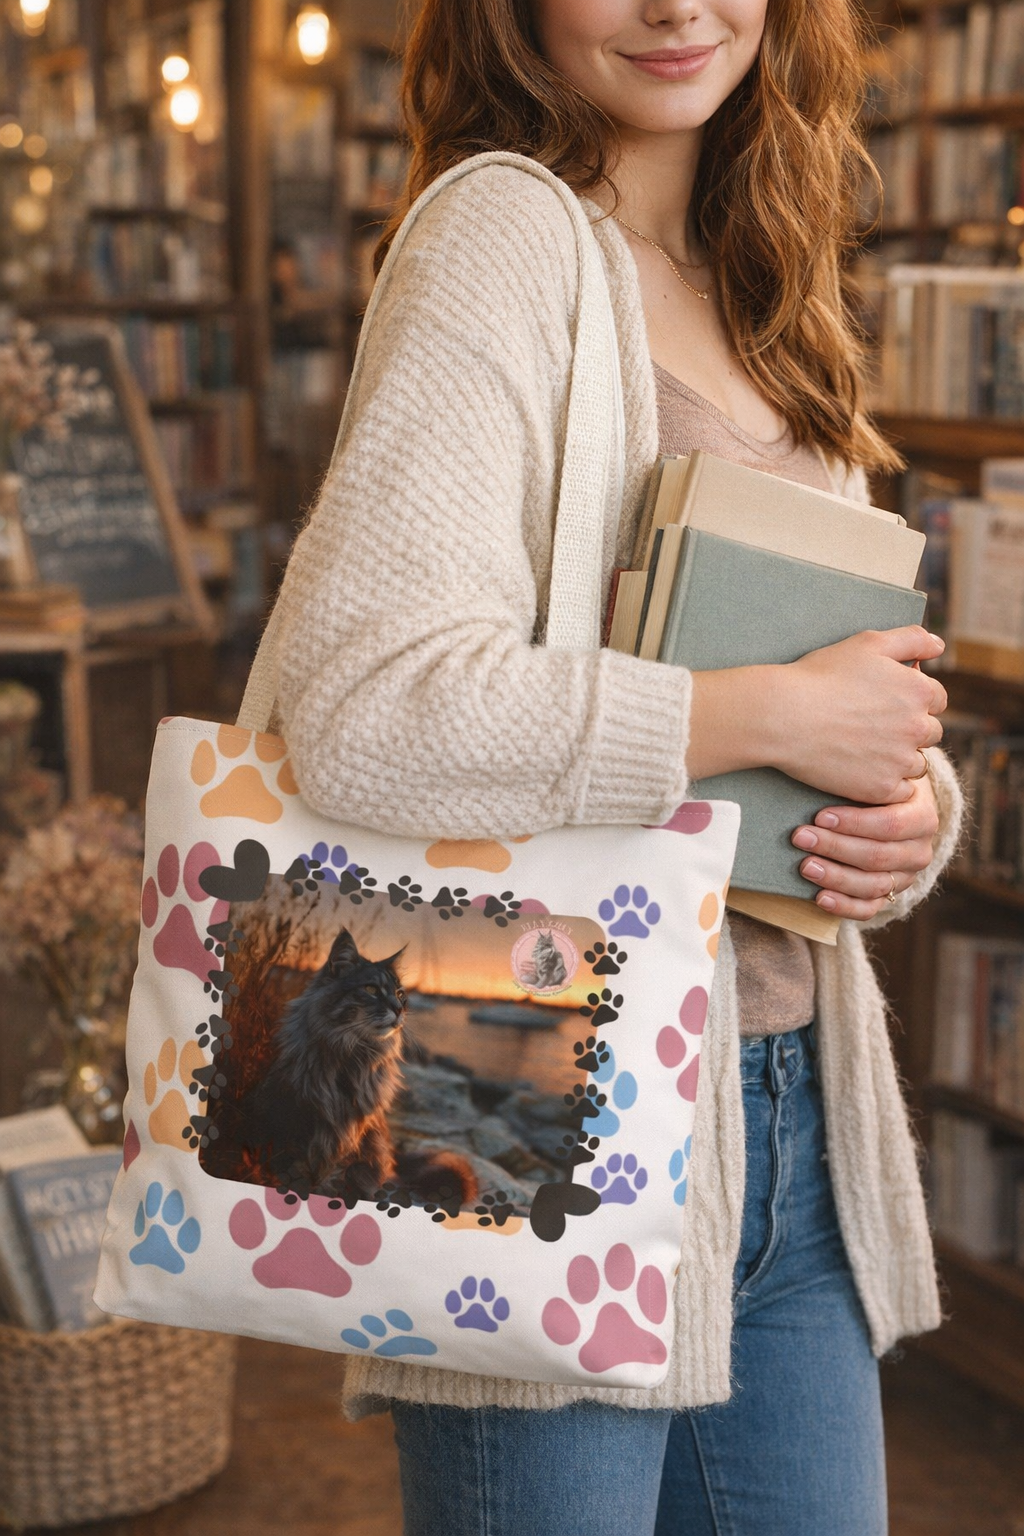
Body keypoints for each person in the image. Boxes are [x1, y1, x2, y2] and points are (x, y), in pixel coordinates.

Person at [272, 2, 963, 1532]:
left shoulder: (774, 276)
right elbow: (367, 705)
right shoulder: (502, 243)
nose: (675, 7)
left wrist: (901, 809)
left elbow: (844, 681)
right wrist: (766, 716)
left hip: (791, 1125)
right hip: (533, 1110)